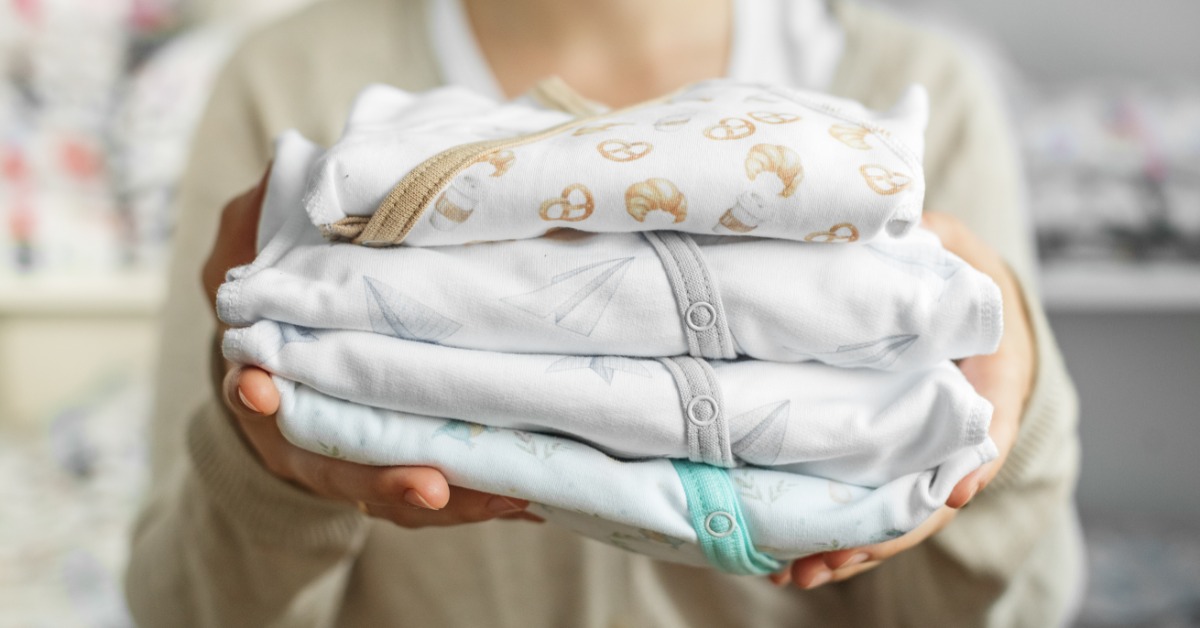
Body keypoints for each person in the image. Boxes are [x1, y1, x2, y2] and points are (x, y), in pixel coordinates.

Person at [125, 0, 1083, 625]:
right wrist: (267, 469)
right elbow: (176, 606)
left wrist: (1014, 416)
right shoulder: (287, 86)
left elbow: (1024, 607)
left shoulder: (911, 107)